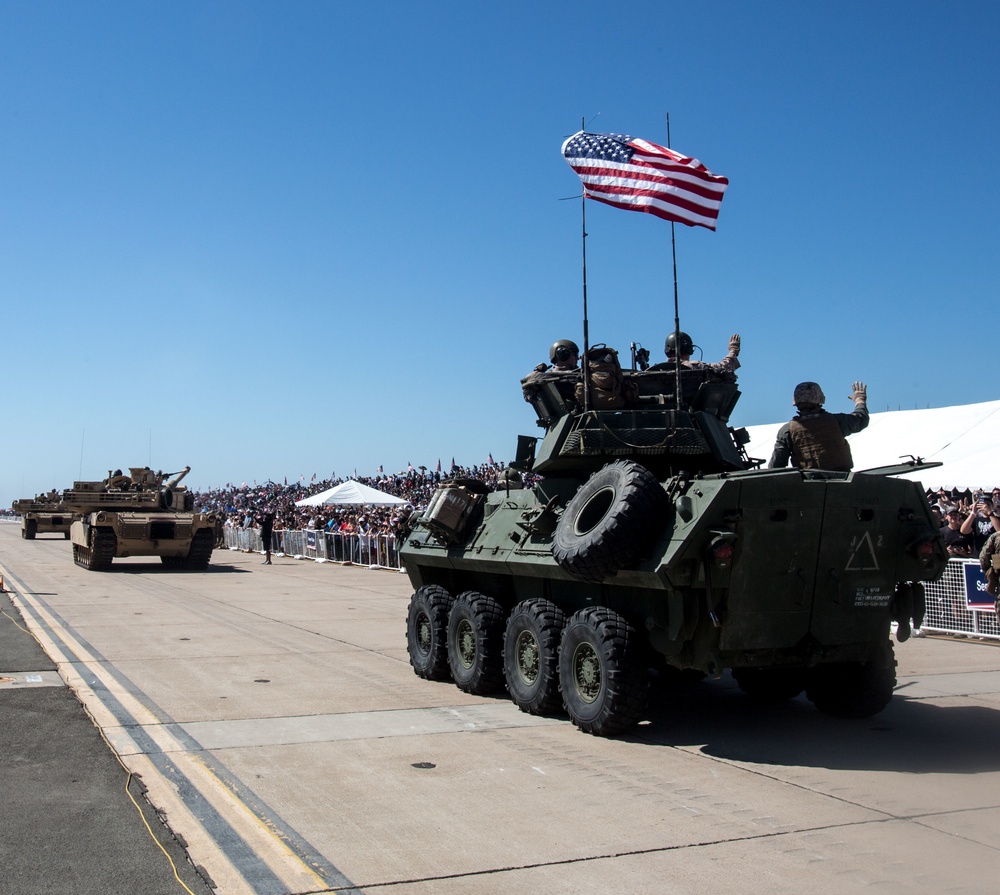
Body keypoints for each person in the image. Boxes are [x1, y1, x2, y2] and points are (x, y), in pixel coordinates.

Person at [768, 381, 869, 471]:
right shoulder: (836, 421)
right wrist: (860, 401)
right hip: (842, 482)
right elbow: (861, 419)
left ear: (796, 402)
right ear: (819, 399)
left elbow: (776, 466)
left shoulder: (788, 430)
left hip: (808, 486)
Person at [649, 331, 741, 376]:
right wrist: (733, 351)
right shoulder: (692, 367)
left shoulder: (656, 371)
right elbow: (721, 369)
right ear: (687, 350)